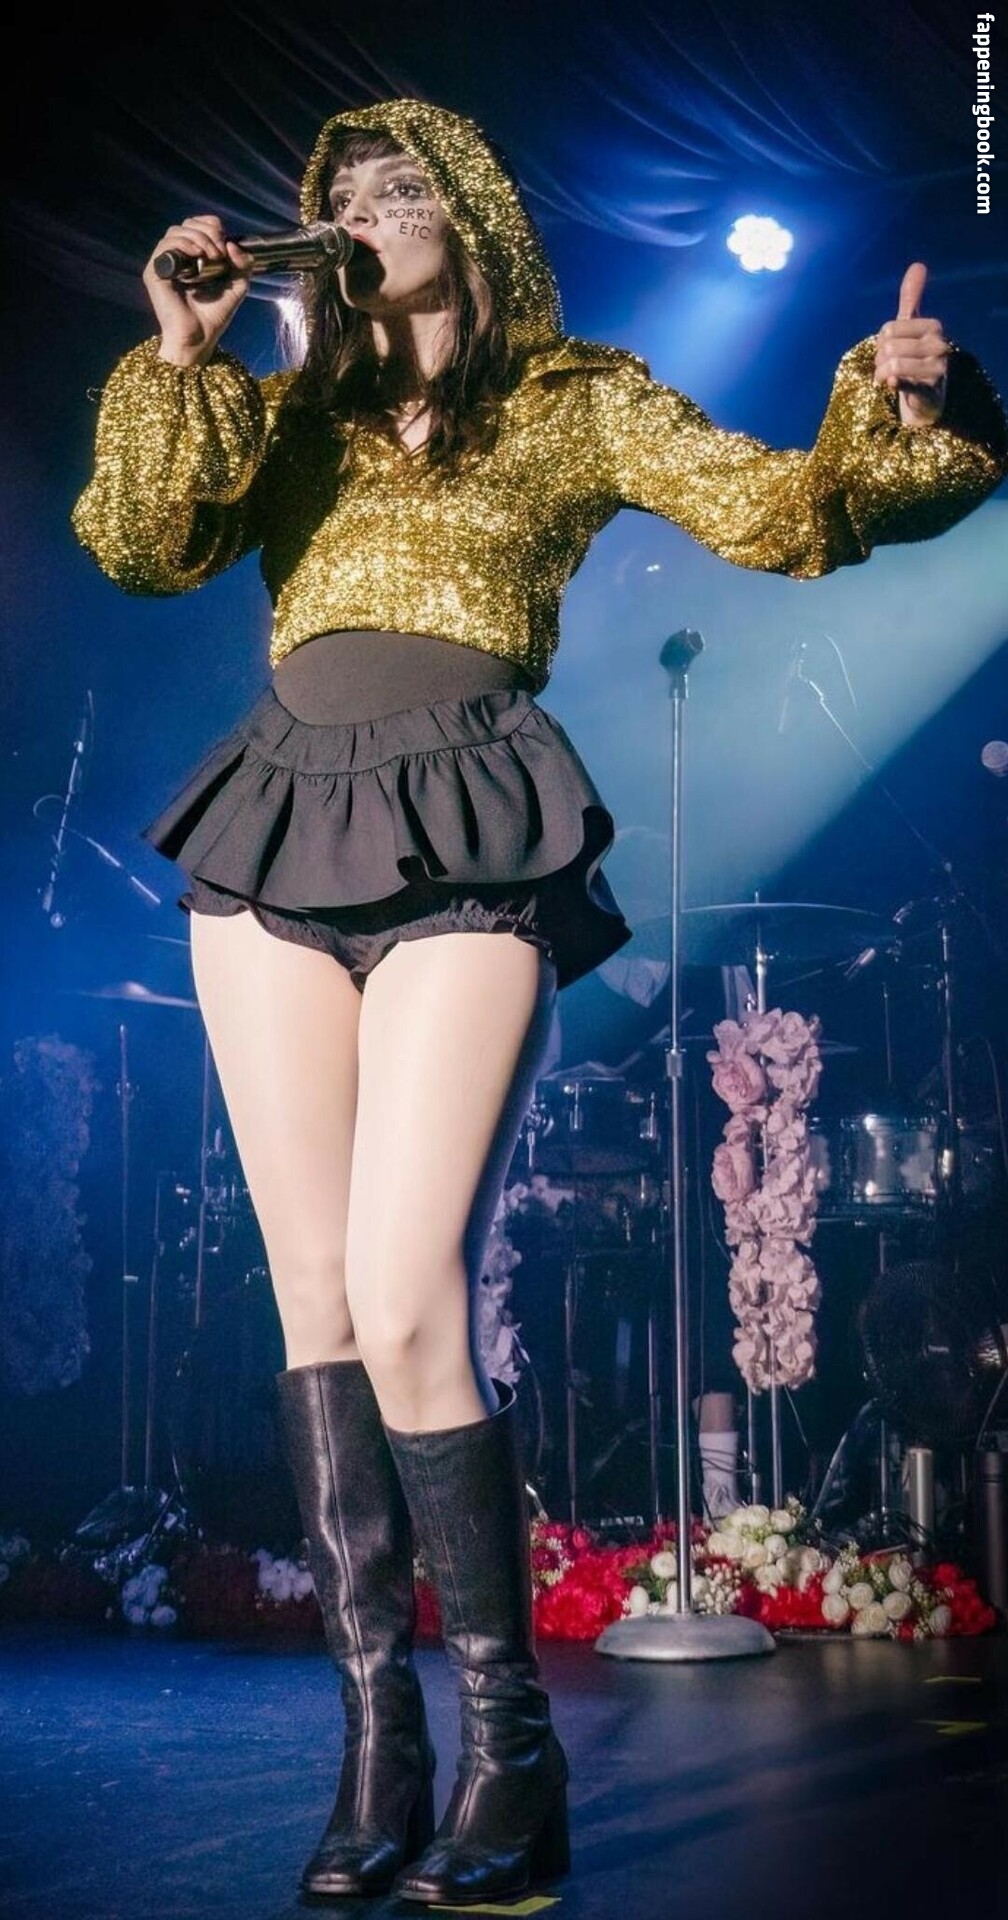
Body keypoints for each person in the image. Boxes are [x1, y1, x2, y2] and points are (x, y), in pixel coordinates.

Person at [71, 97, 1008, 1907]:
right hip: (275, 826)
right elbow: (139, 543)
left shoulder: (575, 399)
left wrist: (907, 414)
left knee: (409, 1287)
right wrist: (178, 357)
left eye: (399, 186)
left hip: (473, 825)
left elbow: (785, 508)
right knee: (316, 1299)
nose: (362, 210)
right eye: (340, 190)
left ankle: (513, 1751)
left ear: (475, 218)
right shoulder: (286, 416)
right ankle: (380, 1745)